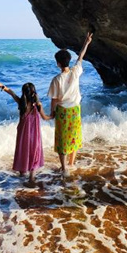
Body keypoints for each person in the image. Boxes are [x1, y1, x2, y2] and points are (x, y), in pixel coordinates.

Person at [48, 32, 92, 177]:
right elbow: (80, 57)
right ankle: (72, 163)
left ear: (58, 63)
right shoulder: (75, 72)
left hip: (62, 111)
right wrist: (86, 42)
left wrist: (52, 113)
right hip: (75, 110)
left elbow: (54, 99)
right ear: (68, 61)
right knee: (73, 136)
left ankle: (64, 167)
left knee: (62, 139)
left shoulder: (56, 79)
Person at [0, 81, 52, 186]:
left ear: (23, 93)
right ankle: (32, 178)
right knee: (34, 153)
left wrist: (2, 86)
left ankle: (21, 177)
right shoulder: (38, 105)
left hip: (22, 135)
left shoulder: (21, 103)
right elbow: (45, 117)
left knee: (23, 151)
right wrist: (53, 115)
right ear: (34, 93)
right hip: (34, 135)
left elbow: (11, 93)